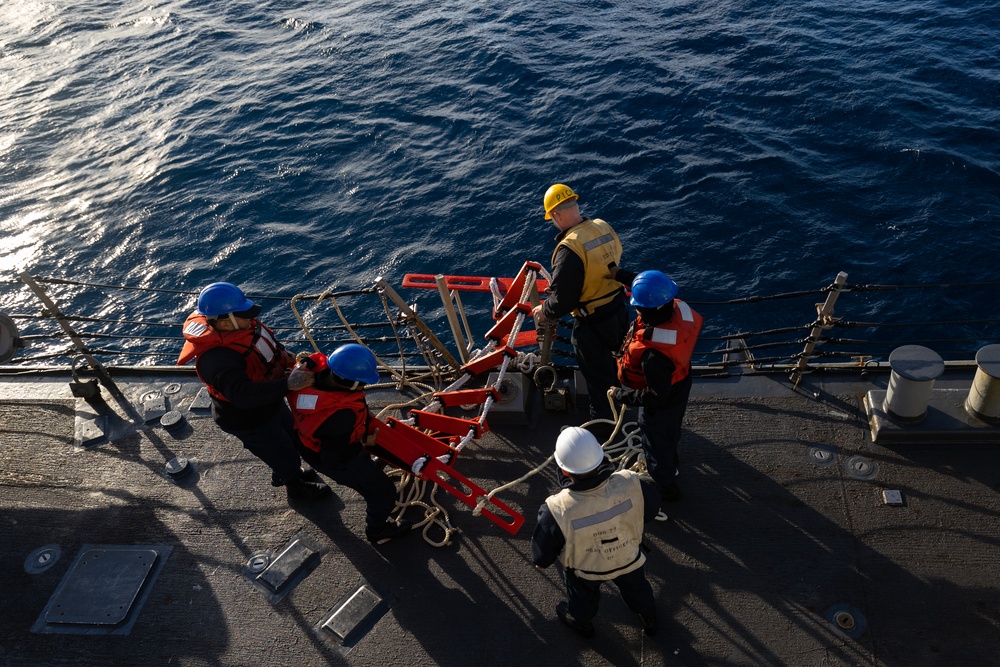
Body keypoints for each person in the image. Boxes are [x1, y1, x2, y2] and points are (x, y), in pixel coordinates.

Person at [177, 282, 331, 500]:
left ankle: (286, 471)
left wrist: (286, 359)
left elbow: (264, 351)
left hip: (270, 403)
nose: (251, 318)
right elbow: (243, 395)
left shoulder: (242, 328)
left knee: (291, 437)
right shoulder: (217, 359)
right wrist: (288, 384)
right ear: (224, 322)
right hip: (249, 420)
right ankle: (295, 487)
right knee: (281, 452)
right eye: (243, 314)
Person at [531, 427, 661, 638]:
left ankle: (582, 624)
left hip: (585, 569)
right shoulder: (631, 481)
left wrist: (542, 561)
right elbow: (652, 510)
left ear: (564, 470)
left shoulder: (556, 508)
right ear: (600, 458)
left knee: (582, 598)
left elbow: (541, 553)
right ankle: (649, 617)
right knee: (637, 589)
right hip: (628, 557)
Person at [287, 344, 412, 544]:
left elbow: (312, 361)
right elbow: (333, 457)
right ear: (353, 385)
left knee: (368, 475)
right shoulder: (341, 416)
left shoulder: (311, 377)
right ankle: (377, 530)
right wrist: (363, 442)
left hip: (307, 442)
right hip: (335, 458)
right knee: (383, 491)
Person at [531, 184, 628, 422]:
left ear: (555, 214)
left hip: (592, 323)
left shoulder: (569, 248)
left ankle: (604, 427)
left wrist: (544, 310)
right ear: (574, 204)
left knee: (598, 380)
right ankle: (623, 406)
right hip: (618, 311)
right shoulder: (602, 226)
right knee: (618, 364)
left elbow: (564, 300)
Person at [613, 271, 702, 502]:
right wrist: (620, 274)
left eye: (638, 306)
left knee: (655, 440)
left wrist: (623, 396)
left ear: (647, 310)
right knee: (670, 432)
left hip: (661, 401)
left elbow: (655, 396)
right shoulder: (674, 313)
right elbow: (651, 287)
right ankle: (671, 462)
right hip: (680, 387)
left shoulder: (653, 356)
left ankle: (665, 487)